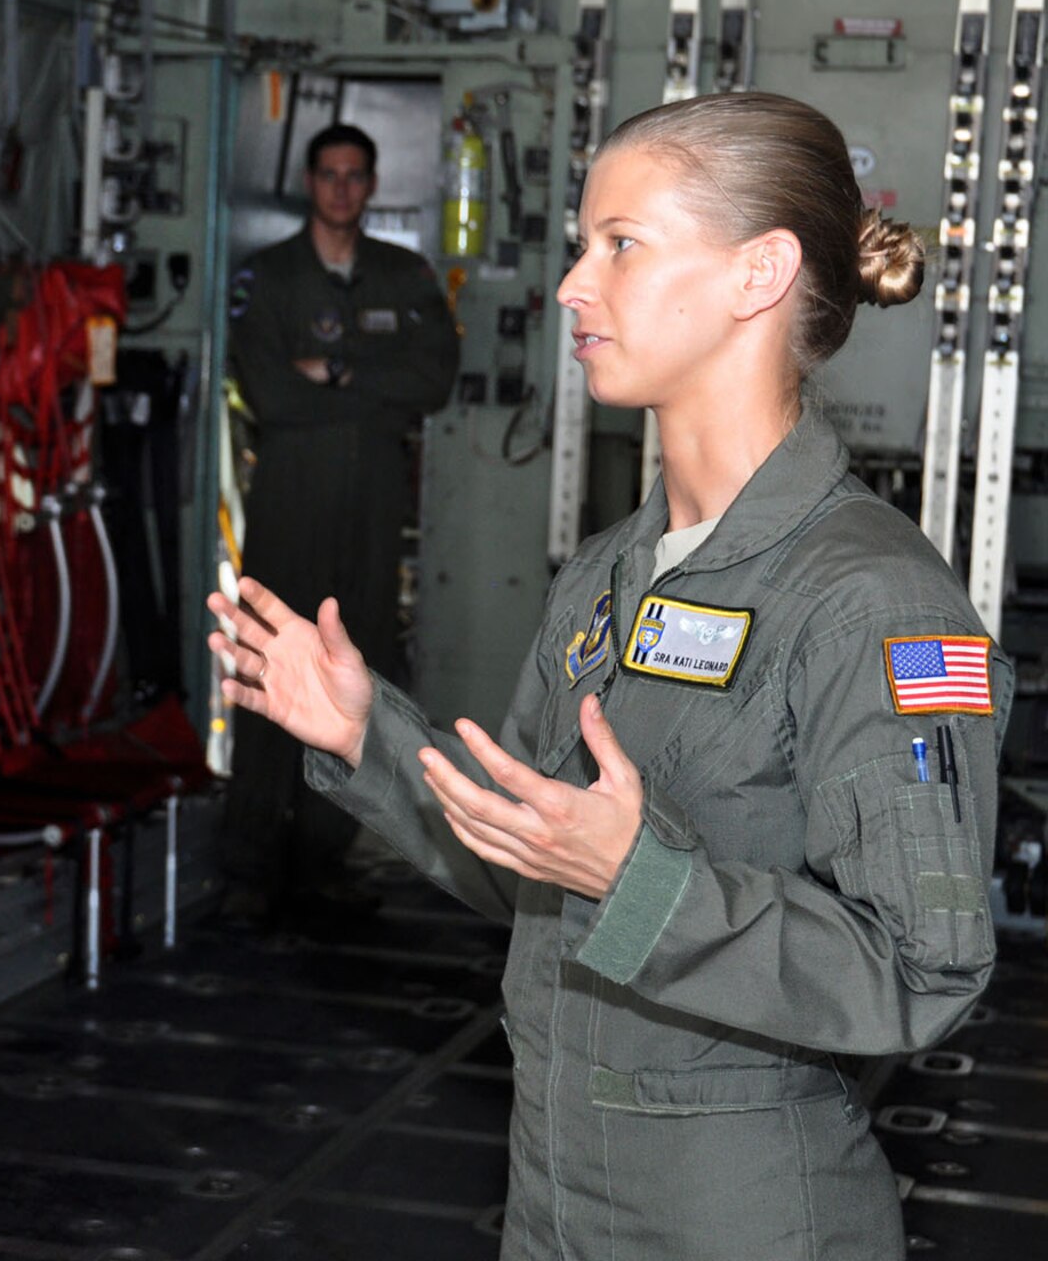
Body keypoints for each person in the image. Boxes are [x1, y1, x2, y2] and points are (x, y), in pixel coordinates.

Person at [209, 91, 1008, 1259]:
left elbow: (921, 965)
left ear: (758, 274)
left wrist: (641, 882)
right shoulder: (603, 578)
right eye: (583, 245)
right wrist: (362, 737)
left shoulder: (870, 601)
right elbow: (534, 863)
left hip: (738, 1219)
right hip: (553, 1200)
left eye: (620, 246)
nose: (573, 285)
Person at [222, 121, 460, 918]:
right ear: (309, 182)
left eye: (356, 176)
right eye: (329, 175)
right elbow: (270, 395)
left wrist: (339, 368)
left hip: (370, 511)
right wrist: (365, 390)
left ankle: (327, 857)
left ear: (371, 184)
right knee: (269, 664)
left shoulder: (404, 274)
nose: (342, 189)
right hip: (291, 503)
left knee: (360, 668)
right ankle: (252, 861)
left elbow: (432, 379)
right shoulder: (269, 276)